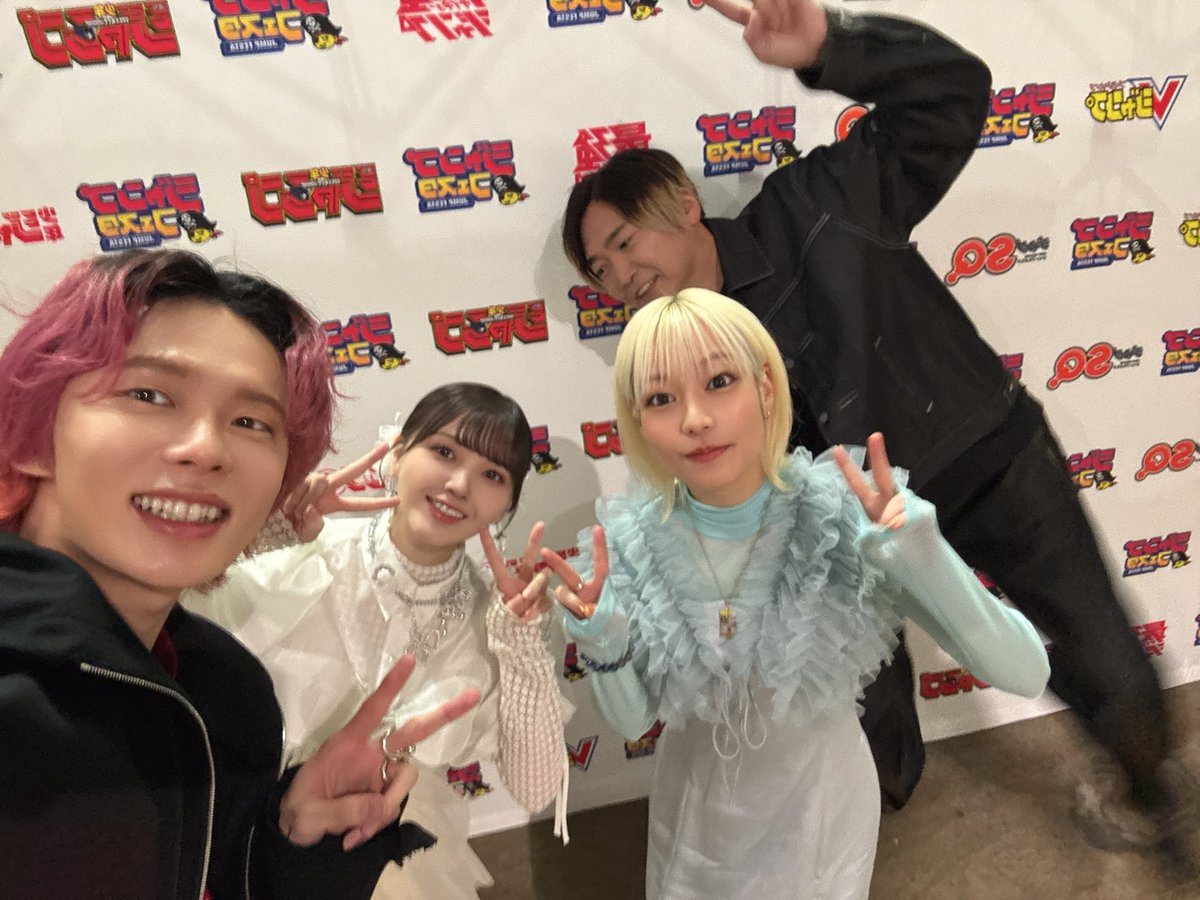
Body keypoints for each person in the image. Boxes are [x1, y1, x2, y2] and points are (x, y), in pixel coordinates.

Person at [560, 0, 1179, 842]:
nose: (620, 276)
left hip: (984, 461)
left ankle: (1150, 793)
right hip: (844, 535)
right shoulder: (677, 355)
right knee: (853, 692)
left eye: (626, 242)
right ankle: (868, 821)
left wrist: (832, 45)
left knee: (1090, 638)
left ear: (681, 204)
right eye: (600, 271)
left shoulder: (819, 199)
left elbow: (953, 95)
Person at [0, 249, 479, 900]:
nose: (206, 448)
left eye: (251, 422)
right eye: (148, 394)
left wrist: (292, 841)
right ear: (33, 432)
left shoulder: (227, 694)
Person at [541, 288, 1049, 899]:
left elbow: (1026, 671)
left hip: (822, 817)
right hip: (695, 819)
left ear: (765, 387)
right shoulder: (629, 544)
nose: (694, 418)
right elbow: (633, 718)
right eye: (660, 398)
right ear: (638, 419)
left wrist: (924, 556)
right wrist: (602, 637)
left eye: (719, 382)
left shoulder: (846, 515)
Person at [186, 382, 570, 900]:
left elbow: (536, 787)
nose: (459, 484)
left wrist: (521, 643)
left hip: (386, 853)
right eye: (444, 452)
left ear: (507, 504)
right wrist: (262, 533)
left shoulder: (495, 620)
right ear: (396, 453)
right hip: (240, 827)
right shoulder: (306, 547)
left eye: (492, 475)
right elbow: (157, 614)